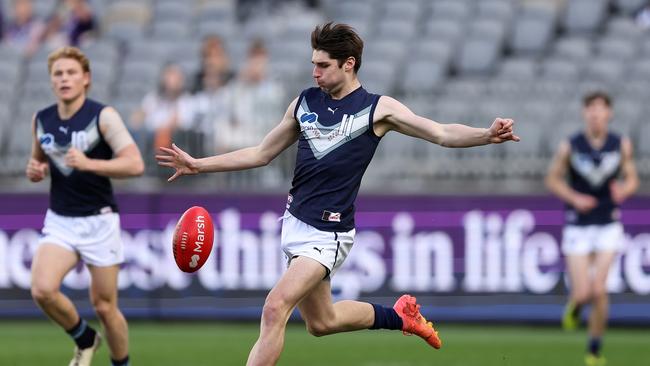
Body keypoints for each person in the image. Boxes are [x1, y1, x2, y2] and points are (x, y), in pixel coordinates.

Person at [156, 22, 519, 366]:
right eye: (313, 64)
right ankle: (400, 317)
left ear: (349, 65)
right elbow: (261, 153)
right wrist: (199, 164)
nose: (314, 72)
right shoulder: (304, 103)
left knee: (274, 307)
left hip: (329, 232)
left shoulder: (378, 108)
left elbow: (440, 132)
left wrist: (485, 135)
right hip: (294, 224)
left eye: (322, 65)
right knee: (322, 322)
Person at [26, 46, 144, 366]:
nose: (64, 79)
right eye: (58, 74)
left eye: (71, 73)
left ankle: (121, 363)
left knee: (105, 307)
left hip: (99, 221)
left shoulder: (102, 116)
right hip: (61, 219)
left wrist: (90, 163)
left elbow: (134, 165)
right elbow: (37, 163)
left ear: (86, 79)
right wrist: (35, 171)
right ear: (51, 81)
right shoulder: (42, 119)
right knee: (42, 289)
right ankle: (84, 337)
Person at [545, 91, 639, 366]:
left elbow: (632, 178)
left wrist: (624, 191)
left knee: (600, 290)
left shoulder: (620, 144)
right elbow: (552, 179)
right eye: (591, 109)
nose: (596, 114)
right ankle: (575, 304)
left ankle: (594, 350)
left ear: (609, 113)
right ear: (585, 113)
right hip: (578, 226)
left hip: (608, 223)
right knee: (584, 292)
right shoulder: (571, 145)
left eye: (601, 109)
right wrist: (575, 198)